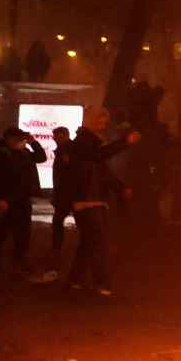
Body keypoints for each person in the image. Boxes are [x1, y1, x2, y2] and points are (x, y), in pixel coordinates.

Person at [63, 108, 139, 297]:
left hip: (92, 199)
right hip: (87, 200)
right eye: (100, 121)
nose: (103, 125)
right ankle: (102, 283)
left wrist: (119, 187)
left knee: (89, 242)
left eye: (104, 122)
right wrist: (124, 142)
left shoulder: (90, 143)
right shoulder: (84, 142)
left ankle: (75, 280)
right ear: (89, 120)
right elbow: (100, 158)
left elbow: (102, 170)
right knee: (97, 242)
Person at [0, 127, 46, 280]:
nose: (19, 141)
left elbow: (41, 157)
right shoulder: (0, 153)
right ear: (8, 139)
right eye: (16, 139)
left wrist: (33, 143)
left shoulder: (23, 152)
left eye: (21, 139)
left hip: (22, 199)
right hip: (6, 200)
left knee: (23, 233)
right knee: (1, 232)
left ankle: (18, 262)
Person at [39, 125, 75, 284]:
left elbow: (65, 175)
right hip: (65, 193)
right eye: (55, 137)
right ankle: (57, 246)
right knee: (59, 220)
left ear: (65, 136)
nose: (55, 139)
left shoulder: (67, 150)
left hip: (66, 194)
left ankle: (57, 247)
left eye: (57, 137)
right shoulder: (65, 149)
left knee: (58, 220)